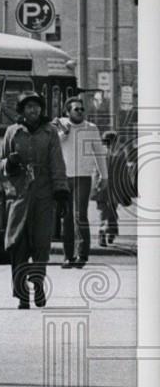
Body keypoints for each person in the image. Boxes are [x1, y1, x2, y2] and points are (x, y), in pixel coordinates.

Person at [0, 91, 69, 309]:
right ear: (21, 110)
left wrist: (61, 190)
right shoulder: (12, 132)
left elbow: (57, 163)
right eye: (28, 107)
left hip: (43, 195)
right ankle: (21, 295)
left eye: (37, 106)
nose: (33, 110)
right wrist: (9, 162)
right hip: (18, 195)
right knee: (17, 245)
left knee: (41, 244)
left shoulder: (50, 133)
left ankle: (37, 284)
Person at [52, 97, 108, 268]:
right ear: (67, 112)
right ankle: (68, 256)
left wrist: (104, 176)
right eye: (76, 109)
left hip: (83, 177)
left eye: (82, 109)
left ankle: (82, 255)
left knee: (80, 215)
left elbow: (99, 153)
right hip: (63, 177)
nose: (80, 112)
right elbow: (51, 146)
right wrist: (64, 133)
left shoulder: (91, 128)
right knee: (66, 217)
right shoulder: (58, 125)